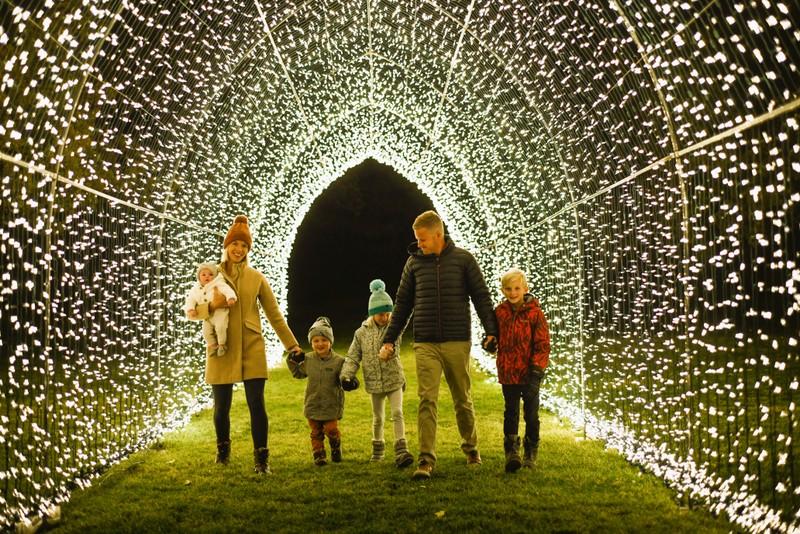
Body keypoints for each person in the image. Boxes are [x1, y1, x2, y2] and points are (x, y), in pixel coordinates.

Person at [381, 210, 498, 480]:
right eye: (417, 239)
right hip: (425, 343)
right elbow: (402, 305)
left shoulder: (463, 260)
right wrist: (389, 339)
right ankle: (425, 460)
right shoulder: (413, 265)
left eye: (422, 239)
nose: (419, 244)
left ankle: (471, 449)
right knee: (426, 400)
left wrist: (491, 331)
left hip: (457, 340)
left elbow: (481, 296)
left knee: (462, 399)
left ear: (438, 234)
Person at [188, 215, 304, 474]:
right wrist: (212, 306)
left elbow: (274, 314)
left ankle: (261, 459)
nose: (239, 250)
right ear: (226, 246)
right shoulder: (210, 276)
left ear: (248, 249)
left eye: (244, 245)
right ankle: (223, 450)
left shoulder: (256, 277)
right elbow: (193, 309)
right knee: (221, 406)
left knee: (256, 404)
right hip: (221, 346)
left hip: (252, 345)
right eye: (234, 244)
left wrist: (292, 346)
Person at [340, 279, 414, 468]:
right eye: (381, 314)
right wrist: (346, 376)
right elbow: (353, 356)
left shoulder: (393, 328)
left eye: (388, 313)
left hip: (394, 379)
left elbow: (403, 321)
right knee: (378, 417)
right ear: (372, 313)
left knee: (397, 412)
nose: (385, 317)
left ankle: (401, 449)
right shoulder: (361, 333)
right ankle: (378, 449)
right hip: (374, 383)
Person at [492, 268, 550, 472]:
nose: (513, 292)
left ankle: (531, 451)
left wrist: (536, 373)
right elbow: (494, 336)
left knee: (531, 414)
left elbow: (542, 345)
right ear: (503, 290)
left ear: (525, 289)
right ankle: (511, 451)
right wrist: (489, 343)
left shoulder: (535, 314)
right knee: (511, 412)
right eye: (508, 289)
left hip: (529, 373)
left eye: (517, 288)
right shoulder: (500, 312)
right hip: (508, 372)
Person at [287, 316, 346, 466]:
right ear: (311, 343)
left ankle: (335, 445)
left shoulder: (339, 361)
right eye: (316, 341)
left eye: (324, 340)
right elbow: (298, 373)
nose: (320, 344)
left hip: (330, 403)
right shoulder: (308, 360)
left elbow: (346, 377)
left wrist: (349, 381)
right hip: (313, 403)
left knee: (331, 429)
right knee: (316, 432)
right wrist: (292, 360)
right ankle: (319, 455)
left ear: (330, 341)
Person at [184, 262, 237, 356]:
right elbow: (190, 299)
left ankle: (221, 344)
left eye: (210, 274)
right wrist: (190, 309)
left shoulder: (218, 284)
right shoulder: (195, 288)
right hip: (207, 316)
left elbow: (227, 290)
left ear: (215, 276)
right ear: (198, 277)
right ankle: (212, 345)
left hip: (220, 313)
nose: (207, 277)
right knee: (206, 332)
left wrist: (231, 298)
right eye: (203, 274)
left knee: (221, 327)